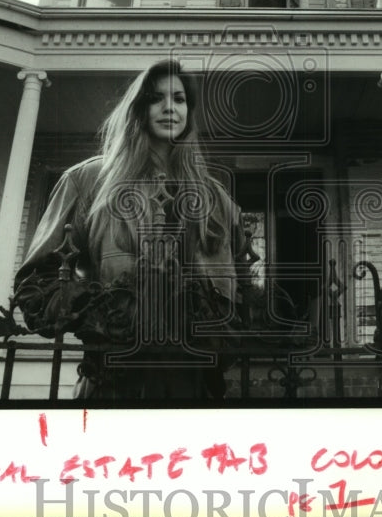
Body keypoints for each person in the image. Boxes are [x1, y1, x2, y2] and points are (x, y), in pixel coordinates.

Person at [13, 60, 249, 400]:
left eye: (180, 99)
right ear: (138, 108)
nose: (170, 107)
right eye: (156, 98)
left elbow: (241, 277)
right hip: (114, 377)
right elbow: (36, 280)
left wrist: (223, 328)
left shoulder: (214, 195)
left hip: (197, 381)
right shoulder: (87, 181)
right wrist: (102, 314)